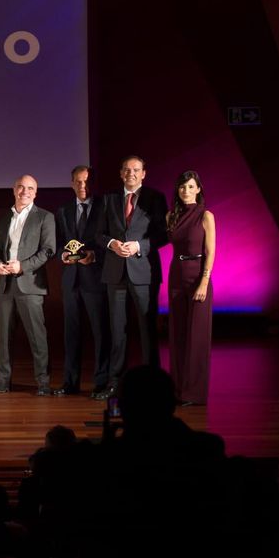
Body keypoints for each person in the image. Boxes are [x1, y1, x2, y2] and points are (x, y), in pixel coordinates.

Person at [95, 156, 169, 398]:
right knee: (117, 330)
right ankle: (115, 383)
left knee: (147, 329)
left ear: (144, 173)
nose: (131, 174)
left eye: (136, 170)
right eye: (127, 170)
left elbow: (163, 234)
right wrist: (112, 243)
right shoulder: (108, 199)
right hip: (115, 272)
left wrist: (139, 246)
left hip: (143, 271)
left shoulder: (155, 198)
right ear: (121, 173)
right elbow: (98, 234)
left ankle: (152, 384)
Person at [0, 175, 56, 395]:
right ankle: (3, 381)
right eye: (21, 187)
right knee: (4, 337)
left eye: (30, 188)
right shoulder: (4, 218)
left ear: (35, 193)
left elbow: (48, 250)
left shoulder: (45, 217)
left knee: (37, 337)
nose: (24, 191)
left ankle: (43, 383)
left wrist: (23, 266)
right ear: (14, 189)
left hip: (30, 285)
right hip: (6, 285)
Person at [54, 166, 110, 397]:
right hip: (71, 280)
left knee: (101, 332)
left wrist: (94, 255)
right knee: (71, 333)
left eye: (86, 182)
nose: (82, 186)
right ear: (72, 184)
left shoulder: (105, 207)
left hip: (96, 278)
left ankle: (102, 383)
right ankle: (70, 383)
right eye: (78, 182)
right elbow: (58, 242)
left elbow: (111, 241)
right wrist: (62, 255)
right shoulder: (63, 210)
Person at [166, 170, 215, 406]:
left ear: (198, 189)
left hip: (197, 276)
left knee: (197, 337)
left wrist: (204, 281)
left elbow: (211, 251)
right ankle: (177, 390)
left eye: (191, 186)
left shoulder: (206, 215)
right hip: (176, 275)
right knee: (178, 334)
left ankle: (194, 393)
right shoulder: (171, 216)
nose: (186, 191)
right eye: (182, 187)